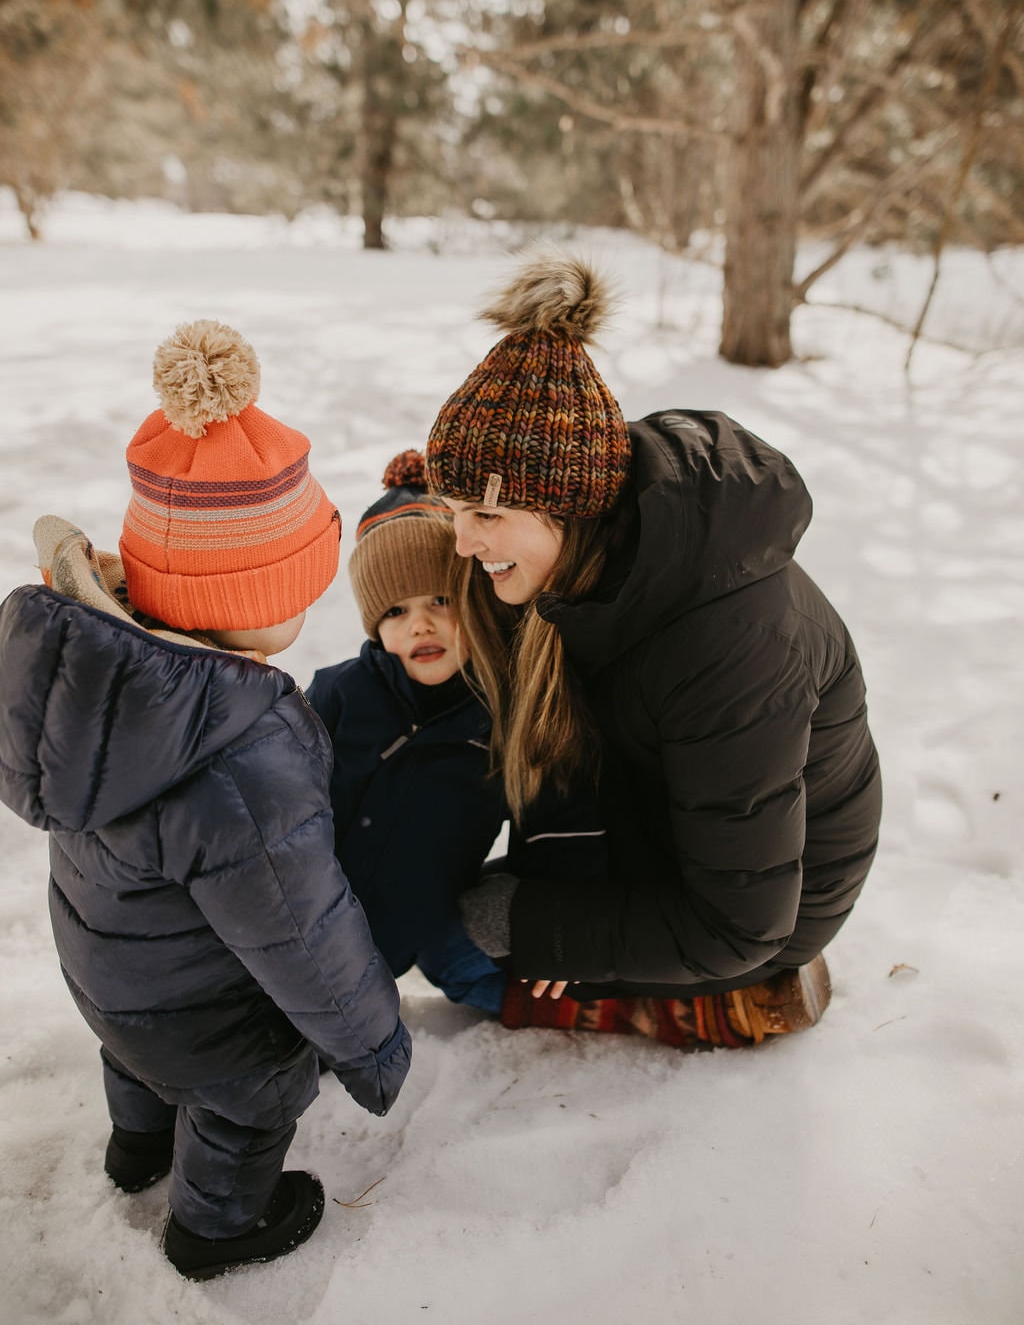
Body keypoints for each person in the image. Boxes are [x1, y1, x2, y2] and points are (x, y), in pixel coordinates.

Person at [0, 320, 411, 1281]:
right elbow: (301, 932)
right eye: (297, 586)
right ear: (247, 598)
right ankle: (217, 1224)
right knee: (252, 1093)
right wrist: (372, 1045)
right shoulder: (239, 754)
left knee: (143, 1056)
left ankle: (137, 1149)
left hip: (107, 983)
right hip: (197, 1021)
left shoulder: (108, 687)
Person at [424, 251, 882, 1051]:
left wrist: (545, 924)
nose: (462, 542)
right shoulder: (595, 546)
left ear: (565, 507)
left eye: (483, 516)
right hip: (665, 827)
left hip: (766, 911)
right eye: (451, 508)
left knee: (459, 942)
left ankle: (733, 1006)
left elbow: (740, 922)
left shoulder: (732, 648)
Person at [306, 450, 605, 1020]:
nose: (420, 623)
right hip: (318, 924)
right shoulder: (339, 697)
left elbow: (554, 817)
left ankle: (617, 1013)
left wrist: (562, 920)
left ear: (474, 601)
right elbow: (284, 807)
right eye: (395, 611)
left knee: (475, 973)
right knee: (310, 1023)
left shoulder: (501, 710)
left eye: (440, 601)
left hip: (430, 917)